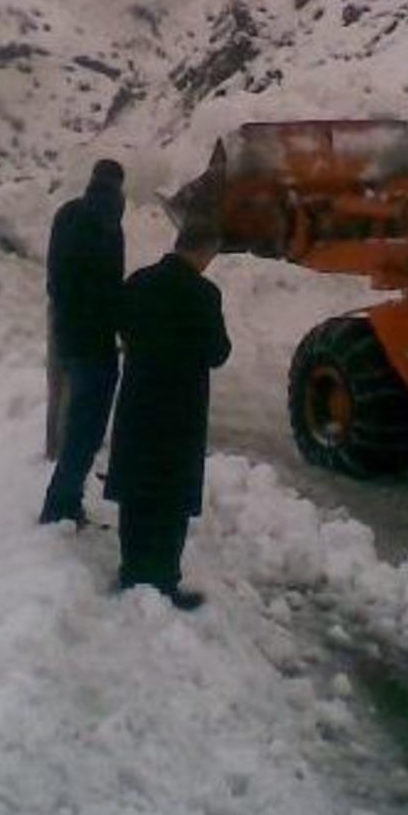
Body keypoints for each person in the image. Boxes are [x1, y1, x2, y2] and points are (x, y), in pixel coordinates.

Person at [104, 215, 231, 610]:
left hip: (139, 398)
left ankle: (131, 569)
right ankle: (163, 577)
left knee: (137, 485)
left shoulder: (139, 281)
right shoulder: (204, 293)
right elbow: (218, 353)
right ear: (206, 251)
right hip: (180, 407)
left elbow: (118, 324)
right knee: (171, 493)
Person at [39, 159, 126, 526]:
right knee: (86, 430)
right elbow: (109, 287)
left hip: (64, 331)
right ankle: (60, 506)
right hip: (95, 342)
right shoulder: (109, 224)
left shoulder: (66, 213)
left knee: (72, 418)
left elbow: (55, 275)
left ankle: (64, 496)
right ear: (119, 187)